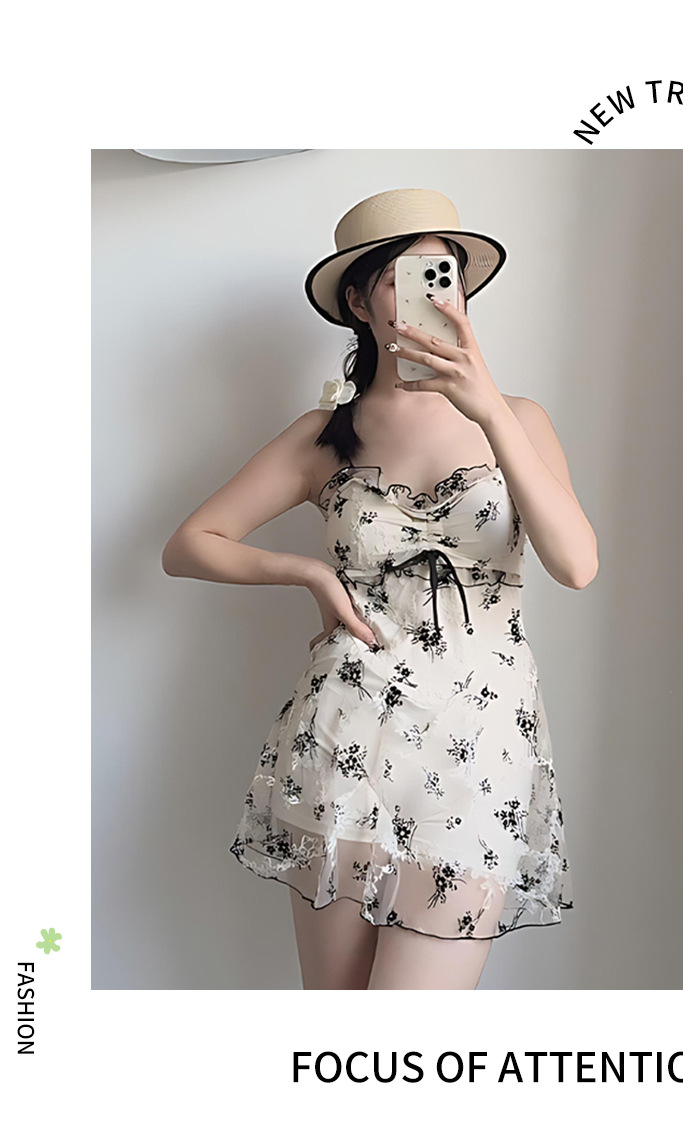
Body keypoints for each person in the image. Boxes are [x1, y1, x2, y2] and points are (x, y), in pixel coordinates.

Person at [162, 187, 598, 991]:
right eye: (400, 277)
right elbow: (188, 543)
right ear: (359, 302)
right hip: (344, 740)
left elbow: (576, 564)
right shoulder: (326, 435)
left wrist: (489, 411)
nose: (430, 294)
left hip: (477, 755)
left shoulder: (520, 419)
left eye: (442, 274)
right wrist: (309, 572)